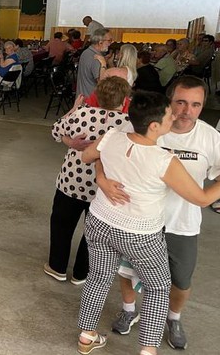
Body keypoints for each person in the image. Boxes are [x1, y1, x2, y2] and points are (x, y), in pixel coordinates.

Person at [76, 91, 220, 355]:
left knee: (97, 278)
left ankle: (87, 336)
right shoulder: (163, 160)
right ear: (154, 126)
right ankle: (148, 349)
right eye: (169, 114)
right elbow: (201, 198)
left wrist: (102, 177)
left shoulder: (113, 137)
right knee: (158, 286)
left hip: (100, 222)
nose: (175, 116)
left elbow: (86, 156)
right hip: (139, 234)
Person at [44, 77, 131, 285]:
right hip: (104, 189)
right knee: (92, 234)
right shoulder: (128, 124)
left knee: (62, 225)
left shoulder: (82, 113)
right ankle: (82, 272)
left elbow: (56, 131)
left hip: (72, 181)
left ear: (97, 95)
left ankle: (57, 267)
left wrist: (73, 114)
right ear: (125, 99)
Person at [76, 28, 113, 97]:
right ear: (100, 42)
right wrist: (107, 64)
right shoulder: (97, 59)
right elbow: (102, 83)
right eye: (109, 40)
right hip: (91, 101)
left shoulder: (86, 52)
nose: (111, 43)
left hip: (82, 97)